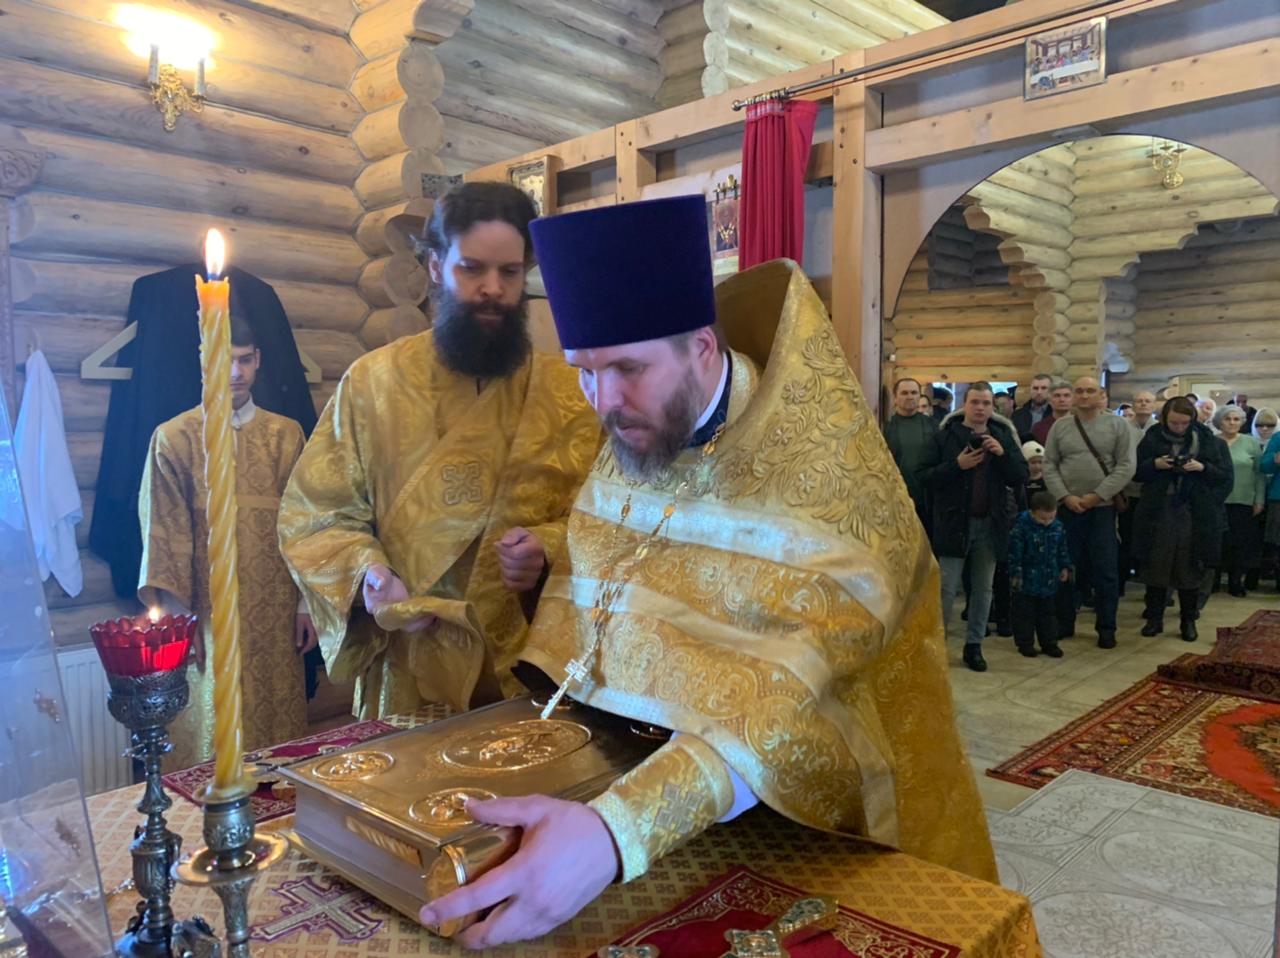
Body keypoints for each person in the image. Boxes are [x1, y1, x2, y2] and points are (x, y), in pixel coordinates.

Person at [418, 196, 998, 947]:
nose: (604, 402)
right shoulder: (638, 427)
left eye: (627, 368)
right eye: (584, 372)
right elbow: (617, 575)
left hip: (805, 822)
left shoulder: (826, 475)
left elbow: (794, 693)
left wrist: (615, 833)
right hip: (640, 784)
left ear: (699, 347)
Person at [277, 182, 601, 718]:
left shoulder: (572, 393)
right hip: (408, 670)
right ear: (434, 266)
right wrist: (368, 574)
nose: (493, 288)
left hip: (531, 675)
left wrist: (546, 547)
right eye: (472, 269)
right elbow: (317, 515)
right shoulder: (372, 384)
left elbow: (613, 518)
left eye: (510, 272)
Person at [139, 317, 311, 770]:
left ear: (258, 360)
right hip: (205, 616)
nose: (235, 372)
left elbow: (306, 524)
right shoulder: (174, 438)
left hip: (275, 615)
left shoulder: (286, 435)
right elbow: (163, 533)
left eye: (245, 360)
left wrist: (305, 605)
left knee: (278, 741)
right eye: (224, 360)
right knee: (210, 734)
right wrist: (179, 622)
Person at [918, 382, 1029, 672]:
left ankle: (974, 645)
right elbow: (924, 477)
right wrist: (957, 465)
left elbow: (1021, 475)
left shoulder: (1002, 436)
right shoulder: (944, 437)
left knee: (983, 589)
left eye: (986, 403)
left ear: (993, 408)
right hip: (953, 522)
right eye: (975, 402)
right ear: (964, 405)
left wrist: (1002, 454)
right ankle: (936, 647)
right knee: (946, 588)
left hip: (990, 524)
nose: (980, 408)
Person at [1042, 377, 1135, 649]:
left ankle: (1106, 627)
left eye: (1090, 391)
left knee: (1105, 571)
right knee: (1066, 567)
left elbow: (1126, 466)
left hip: (1102, 510)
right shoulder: (1060, 426)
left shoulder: (1118, 425)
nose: (1084, 396)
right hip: (1068, 509)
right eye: (1079, 391)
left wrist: (1098, 495)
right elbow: (1049, 465)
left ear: (1101, 394)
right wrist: (1065, 496)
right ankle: (1064, 622)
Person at [1133, 397, 1232, 640]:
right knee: (1157, 564)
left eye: (1184, 423)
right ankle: (1154, 618)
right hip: (1159, 510)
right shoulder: (1152, 438)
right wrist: (1155, 464)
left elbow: (1224, 477)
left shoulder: (1208, 440)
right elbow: (1136, 472)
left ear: (1192, 420)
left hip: (1194, 511)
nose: (1179, 428)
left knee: (1189, 565)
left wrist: (1202, 468)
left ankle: (1188, 620)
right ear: (1164, 419)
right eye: (1174, 423)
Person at [1007, 490, 1072, 658]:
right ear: (1033, 512)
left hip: (1049, 579)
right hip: (1026, 580)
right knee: (1024, 615)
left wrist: (1064, 567)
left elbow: (1062, 549)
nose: (1047, 522)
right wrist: (1016, 574)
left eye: (1051, 518)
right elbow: (1015, 553)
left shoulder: (1057, 527)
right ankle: (1025, 644)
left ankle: (1050, 643)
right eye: (1043, 519)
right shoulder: (1021, 527)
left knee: (1048, 614)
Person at [1217, 405, 1265, 596]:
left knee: (1240, 543)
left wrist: (1259, 500)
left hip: (1244, 500)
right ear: (1220, 421)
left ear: (1242, 422)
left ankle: (1235, 581)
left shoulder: (1251, 442)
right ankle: (1213, 580)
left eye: (1236, 419)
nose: (1232, 422)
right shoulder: (1212, 441)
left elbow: (1260, 473)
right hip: (1217, 501)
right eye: (1227, 419)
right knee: (1218, 542)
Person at [882, 377, 937, 530]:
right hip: (896, 499)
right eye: (904, 393)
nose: (910, 396)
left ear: (919, 396)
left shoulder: (932, 425)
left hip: (926, 500)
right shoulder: (886, 427)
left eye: (914, 392)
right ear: (895, 397)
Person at [1260, 410, 1280, 593]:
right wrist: (1275, 459)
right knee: (1277, 543)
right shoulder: (1278, 438)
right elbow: (1264, 465)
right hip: (1278, 497)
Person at [1012, 374, 1054, 441]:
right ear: (1030, 390)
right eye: (1035, 388)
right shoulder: (1017, 415)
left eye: (1043, 388)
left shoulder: (1055, 414)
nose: (1039, 392)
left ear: (1051, 391)